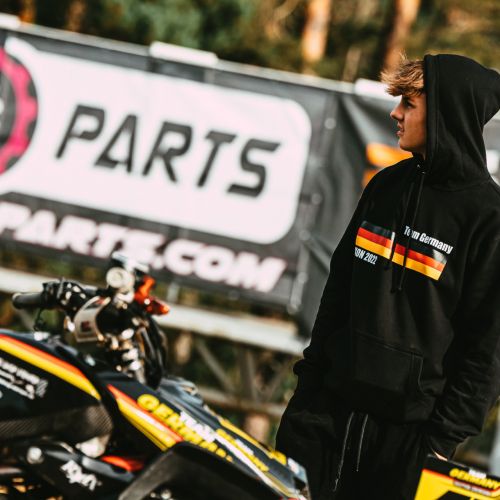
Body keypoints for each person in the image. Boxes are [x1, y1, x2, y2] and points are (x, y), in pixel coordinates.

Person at [276, 53, 500, 500]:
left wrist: (438, 445)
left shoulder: (488, 218)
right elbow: (337, 295)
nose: (395, 114)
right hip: (325, 418)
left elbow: (488, 352)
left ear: (447, 114)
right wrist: (307, 393)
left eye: (409, 104)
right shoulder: (385, 186)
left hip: (409, 446)